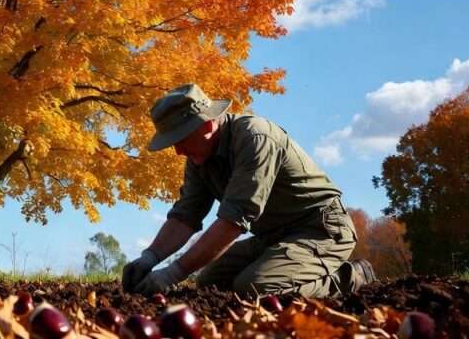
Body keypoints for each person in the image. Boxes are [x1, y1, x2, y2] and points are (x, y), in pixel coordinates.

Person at [121, 83, 376, 298]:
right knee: (209, 283)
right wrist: (149, 258)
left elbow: (233, 221)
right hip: (273, 236)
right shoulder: (199, 158)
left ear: (207, 126)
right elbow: (185, 216)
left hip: (321, 229)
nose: (177, 151)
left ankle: (351, 276)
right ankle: (292, 267)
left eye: (181, 140)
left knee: (256, 287)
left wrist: (173, 273)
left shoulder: (255, 139)